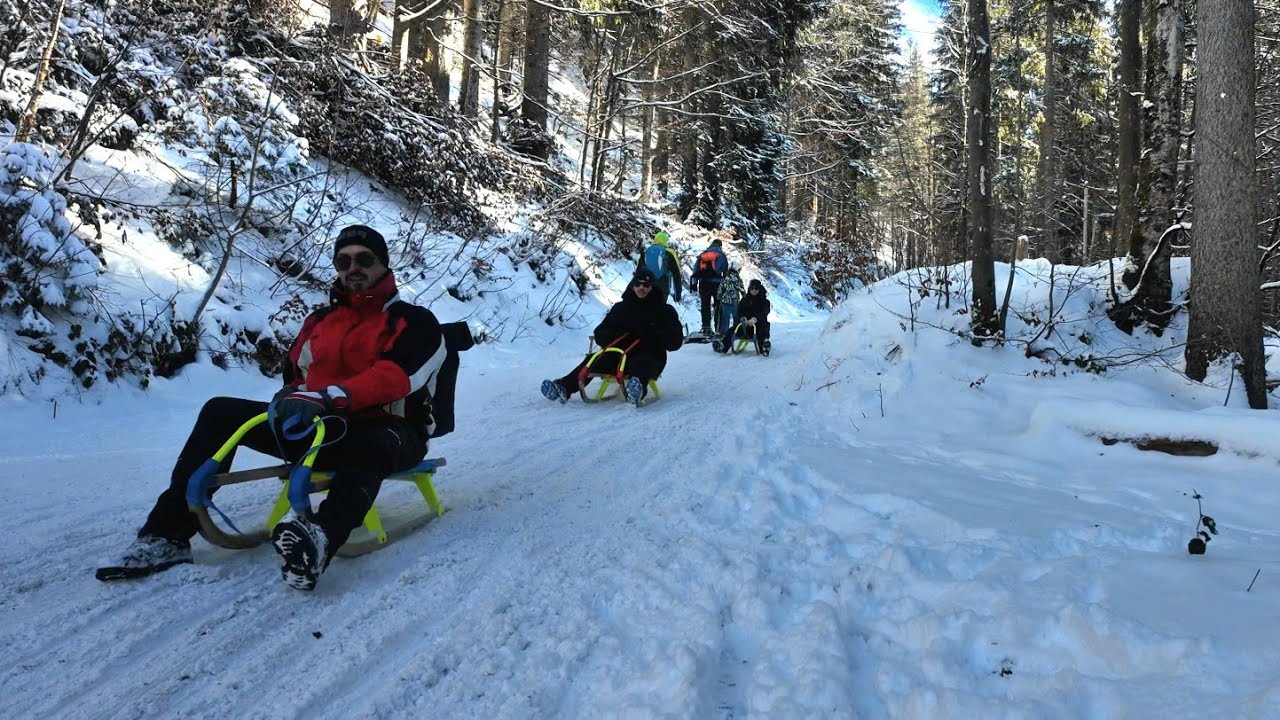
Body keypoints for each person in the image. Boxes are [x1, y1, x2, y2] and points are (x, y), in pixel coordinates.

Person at [98, 225, 462, 591]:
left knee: (376, 439)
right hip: (321, 430)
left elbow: (396, 377)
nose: (353, 268)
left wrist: (328, 397)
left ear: (383, 264)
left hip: (389, 430)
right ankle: (166, 535)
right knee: (220, 411)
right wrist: (289, 397)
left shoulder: (414, 321)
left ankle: (321, 537)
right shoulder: (319, 322)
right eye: (343, 261)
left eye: (364, 260)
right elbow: (295, 376)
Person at [541, 267, 683, 406]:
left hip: (649, 353)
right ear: (632, 286)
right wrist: (614, 335)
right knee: (594, 359)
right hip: (619, 355)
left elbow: (676, 341)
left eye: (646, 285)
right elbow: (600, 333)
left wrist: (653, 335)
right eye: (638, 284)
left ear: (652, 287)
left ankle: (637, 390)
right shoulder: (621, 309)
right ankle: (564, 387)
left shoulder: (664, 311)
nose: (641, 288)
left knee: (643, 363)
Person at [688, 238, 728, 335]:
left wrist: (694, 284)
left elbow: (695, 270)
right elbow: (725, 270)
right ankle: (718, 328)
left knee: (705, 305)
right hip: (717, 283)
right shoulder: (721, 255)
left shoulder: (703, 254)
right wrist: (726, 284)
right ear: (720, 245)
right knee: (718, 305)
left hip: (704, 283)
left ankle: (706, 327)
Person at [638, 230, 682, 302]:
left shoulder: (646, 251)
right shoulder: (669, 253)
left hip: (646, 287)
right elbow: (676, 274)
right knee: (658, 311)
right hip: (662, 288)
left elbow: (638, 271)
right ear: (666, 241)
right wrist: (678, 294)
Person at [733, 278, 772, 356]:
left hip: (758, 326)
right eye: (752, 288)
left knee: (763, 330)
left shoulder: (764, 301)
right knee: (732, 330)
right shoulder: (744, 300)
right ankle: (723, 345)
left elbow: (764, 312)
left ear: (759, 289)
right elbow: (739, 311)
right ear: (749, 289)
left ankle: (764, 345)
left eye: (756, 288)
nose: (754, 290)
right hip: (745, 326)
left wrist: (755, 319)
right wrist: (742, 318)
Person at [716, 260, 744, 336]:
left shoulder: (725, 278)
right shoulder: (738, 279)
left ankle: (723, 333)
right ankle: (736, 331)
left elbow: (720, 289)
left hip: (725, 301)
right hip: (735, 301)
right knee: (736, 317)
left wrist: (719, 297)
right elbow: (742, 290)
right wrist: (745, 297)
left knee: (725, 318)